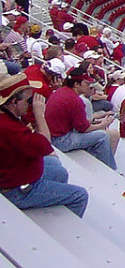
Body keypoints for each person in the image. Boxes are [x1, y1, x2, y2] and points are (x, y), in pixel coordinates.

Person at [0, 72, 89, 217]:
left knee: (59, 170)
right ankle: (65, 235)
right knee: (80, 196)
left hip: (21, 172)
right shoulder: (9, 128)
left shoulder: (7, 118)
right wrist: (40, 113)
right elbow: (46, 145)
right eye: (28, 101)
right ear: (14, 102)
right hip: (18, 190)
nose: (30, 105)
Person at [44, 70, 117, 169]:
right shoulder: (75, 100)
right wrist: (103, 124)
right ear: (76, 84)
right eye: (87, 83)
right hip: (60, 140)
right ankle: (110, 169)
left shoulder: (61, 91)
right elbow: (83, 129)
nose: (89, 86)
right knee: (102, 136)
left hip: (52, 135)